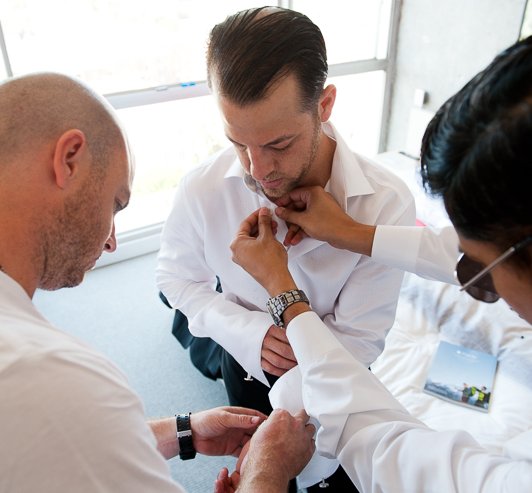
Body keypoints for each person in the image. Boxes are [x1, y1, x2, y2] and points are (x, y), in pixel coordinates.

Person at [227, 21, 532, 492]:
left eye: (487, 272)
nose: (258, 167)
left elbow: (396, 457)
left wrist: (286, 298)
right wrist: (352, 233)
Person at [0, 72, 314, 492]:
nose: (112, 242)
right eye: (115, 204)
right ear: (69, 160)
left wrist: (182, 432)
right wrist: (268, 472)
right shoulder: (44, 376)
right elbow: (63, 422)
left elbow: (56, 446)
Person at [155, 7, 414, 490]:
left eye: (278, 143)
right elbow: (174, 279)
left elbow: (360, 339)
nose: (258, 170)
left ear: (325, 104)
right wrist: (250, 333)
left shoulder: (386, 204)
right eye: (238, 142)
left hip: (340, 377)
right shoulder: (202, 189)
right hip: (244, 361)